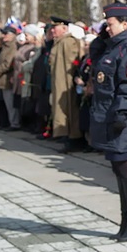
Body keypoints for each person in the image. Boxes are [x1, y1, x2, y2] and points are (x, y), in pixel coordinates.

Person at [89, 3, 127, 241]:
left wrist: (121, 114)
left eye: (110, 24)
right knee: (117, 164)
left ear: (124, 24)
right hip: (108, 114)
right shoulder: (115, 47)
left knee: (124, 164)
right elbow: (96, 62)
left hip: (120, 117)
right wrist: (102, 39)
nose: (107, 28)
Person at [50, 17, 86, 152]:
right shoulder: (58, 42)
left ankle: (74, 138)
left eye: (55, 27)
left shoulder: (68, 42)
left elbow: (72, 64)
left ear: (64, 28)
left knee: (70, 110)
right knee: (62, 110)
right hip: (59, 82)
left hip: (67, 83)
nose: (52, 30)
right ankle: (67, 136)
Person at [0, 26, 20, 130]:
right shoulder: (5, 46)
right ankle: (9, 122)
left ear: (12, 35)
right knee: (6, 102)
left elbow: (7, 63)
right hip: (3, 78)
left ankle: (15, 123)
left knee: (11, 103)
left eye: (6, 34)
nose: (3, 36)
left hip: (9, 78)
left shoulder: (12, 46)